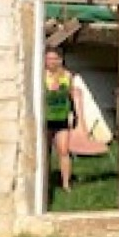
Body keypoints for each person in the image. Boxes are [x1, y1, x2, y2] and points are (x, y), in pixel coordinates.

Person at [42, 47, 83, 192]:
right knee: (44, 152)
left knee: (64, 151)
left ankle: (66, 184)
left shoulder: (67, 75)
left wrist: (74, 114)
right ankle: (44, 183)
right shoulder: (41, 76)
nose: (51, 62)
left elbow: (71, 96)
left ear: (60, 60)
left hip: (62, 118)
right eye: (48, 59)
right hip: (45, 119)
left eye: (54, 58)